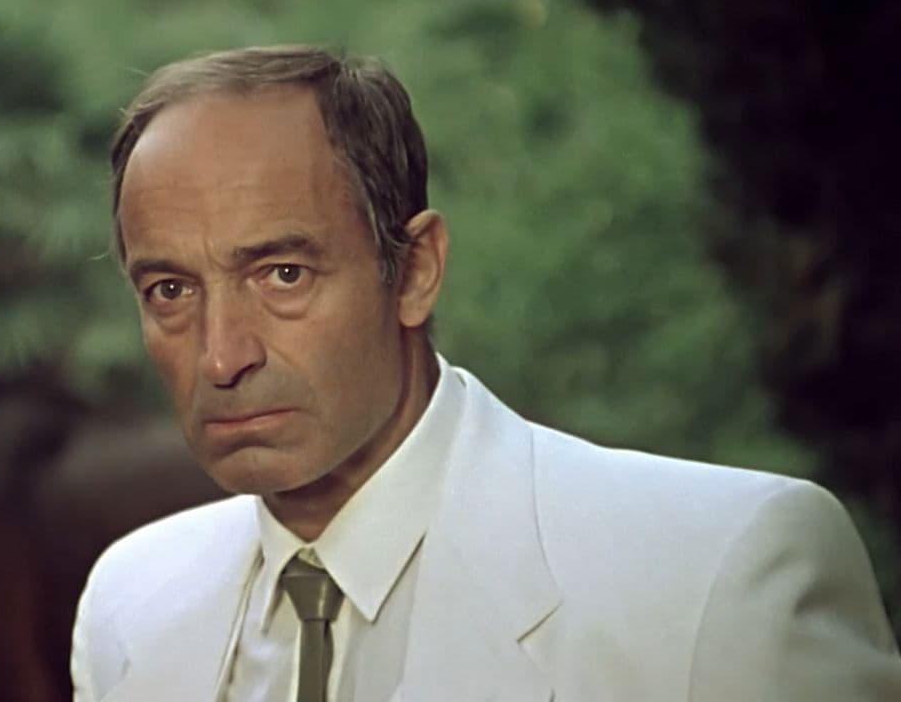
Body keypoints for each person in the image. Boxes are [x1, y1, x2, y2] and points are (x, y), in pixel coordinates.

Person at [69, 45, 901, 702]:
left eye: (283, 274)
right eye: (170, 290)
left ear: (416, 270)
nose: (222, 355)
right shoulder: (130, 601)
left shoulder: (718, 574)